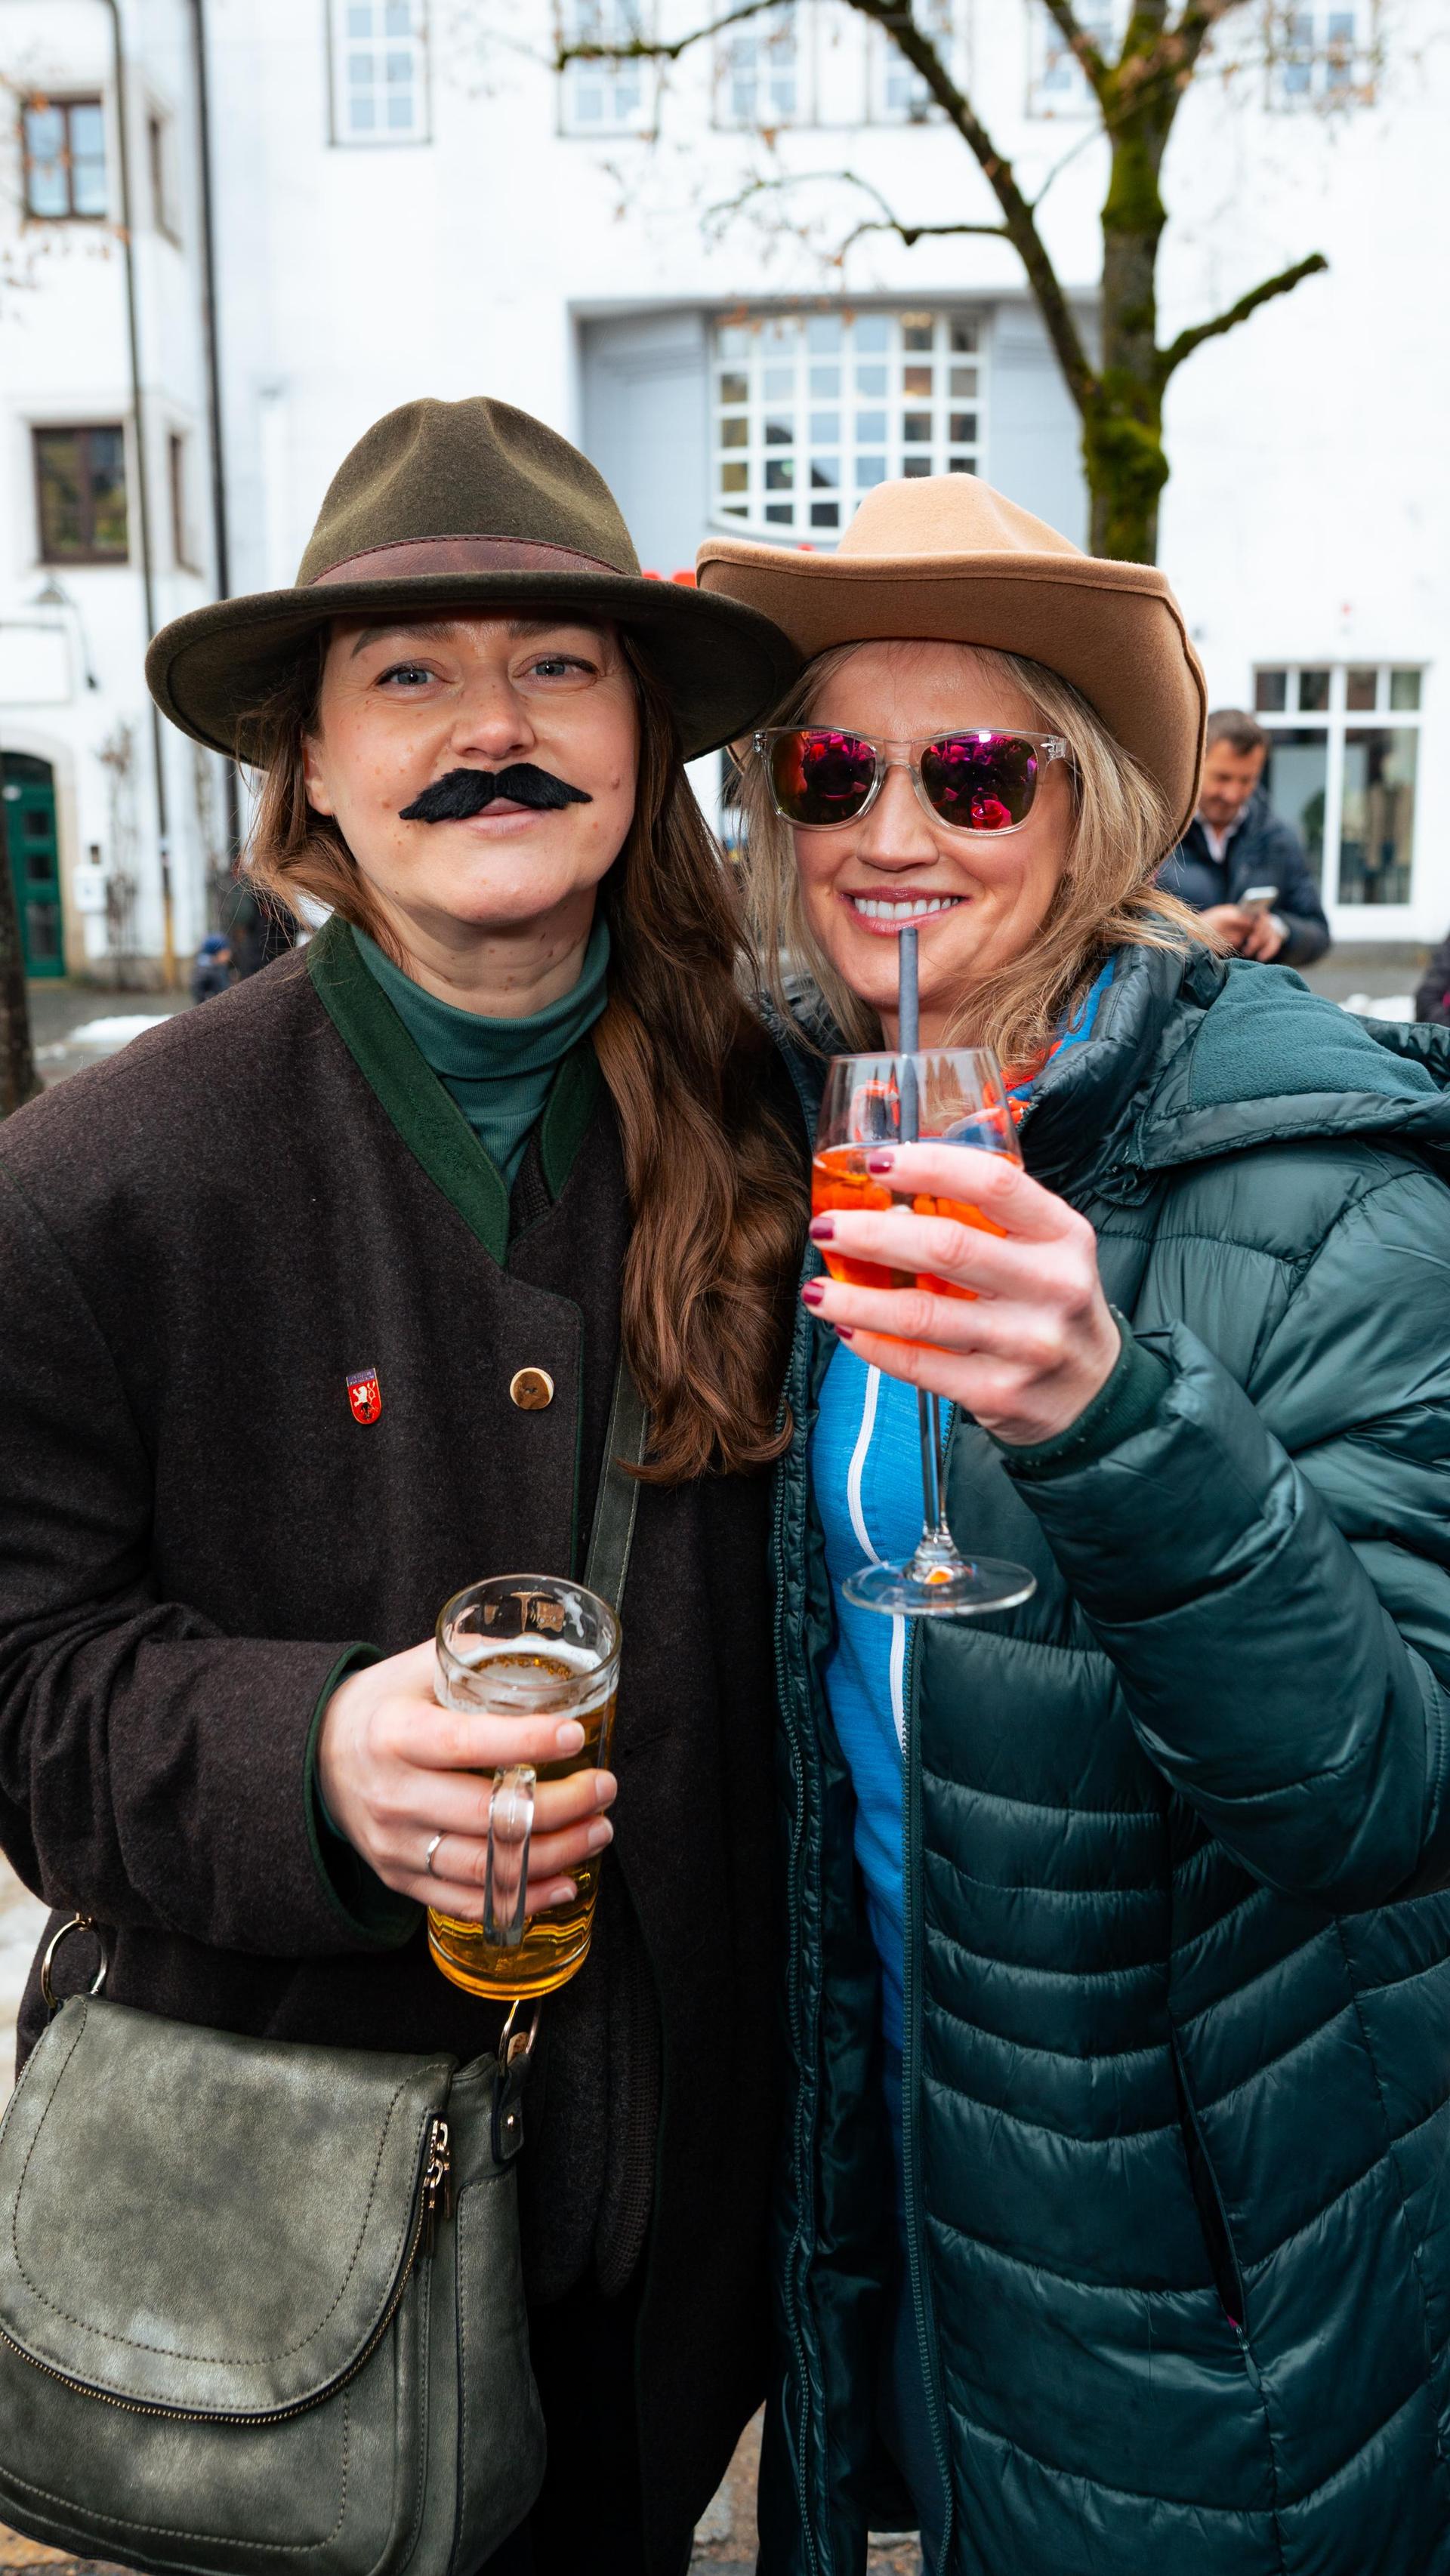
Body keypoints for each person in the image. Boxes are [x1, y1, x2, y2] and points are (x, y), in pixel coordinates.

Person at [0, 397, 803, 2576]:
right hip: (287, 2294)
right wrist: (311, 1755)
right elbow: (26, 1700)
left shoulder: (794, 1132)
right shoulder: (97, 1185)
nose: (494, 731)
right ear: (314, 768)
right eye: (412, 677)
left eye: (557, 666)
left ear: (642, 738)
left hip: (678, 2278)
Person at [699, 475, 1450, 2576]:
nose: (895, 834)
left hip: (1210, 2275)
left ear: (1095, 805)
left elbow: (1379, 1790)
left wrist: (1113, 1414)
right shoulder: (776, 1138)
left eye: (977, 770)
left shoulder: (1328, 1172)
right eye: (832, 766)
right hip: (897, 2182)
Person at [1158, 705, 1330, 965]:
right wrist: (1193, 933)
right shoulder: (1158, 834)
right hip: (1178, 1000)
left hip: (1255, 995)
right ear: (1194, 763)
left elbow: (1319, 934)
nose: (1233, 794)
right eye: (1222, 778)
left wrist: (1280, 930)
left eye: (1247, 780)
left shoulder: (1278, 838)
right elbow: (1117, 932)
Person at [190, 928, 233, 1000]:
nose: (229, 955)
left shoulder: (218, 967)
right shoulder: (205, 972)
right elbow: (199, 993)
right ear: (215, 954)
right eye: (225, 953)